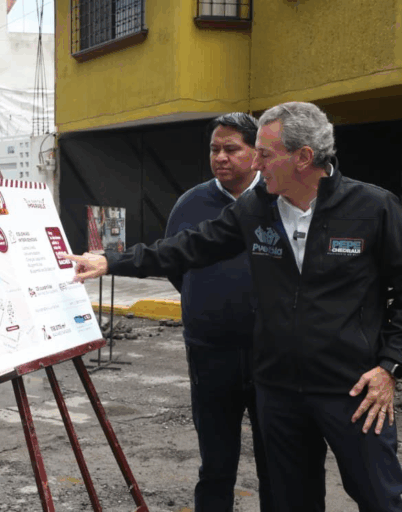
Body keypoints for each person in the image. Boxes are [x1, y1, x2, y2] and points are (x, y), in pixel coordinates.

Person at [61, 101, 402, 512]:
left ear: (304, 158)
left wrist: (390, 366)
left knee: (378, 497)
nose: (256, 163)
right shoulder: (255, 210)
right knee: (292, 501)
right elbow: (189, 246)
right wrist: (111, 261)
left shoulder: (372, 208)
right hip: (279, 388)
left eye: (265, 154)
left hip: (353, 388)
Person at [164, 113, 272, 512]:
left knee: (275, 463)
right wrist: (205, 299)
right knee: (216, 463)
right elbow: (175, 264)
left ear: (255, 151)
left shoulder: (278, 199)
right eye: (214, 149)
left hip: (271, 353)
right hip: (210, 352)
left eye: (231, 149)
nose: (220, 157)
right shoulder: (190, 204)